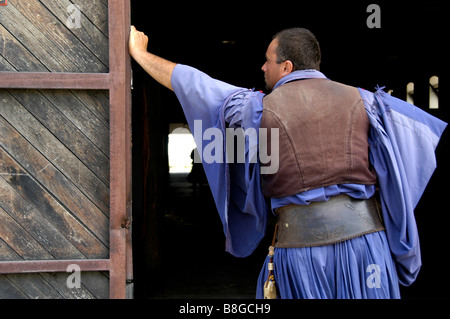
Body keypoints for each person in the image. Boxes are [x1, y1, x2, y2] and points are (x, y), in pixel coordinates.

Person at [129, 26, 447, 299]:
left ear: (286, 67)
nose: (262, 68)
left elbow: (197, 86)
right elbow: (405, 163)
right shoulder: (368, 103)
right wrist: (404, 256)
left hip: (300, 255)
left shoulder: (258, 109)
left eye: (268, 61)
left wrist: (142, 55)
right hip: (368, 250)